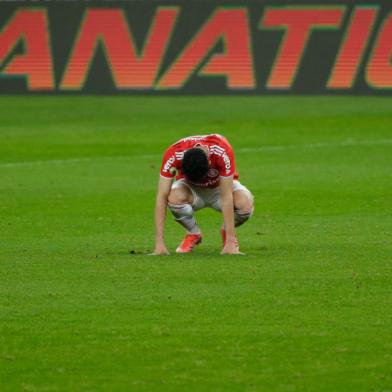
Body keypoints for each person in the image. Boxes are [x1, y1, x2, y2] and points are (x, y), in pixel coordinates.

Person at [152, 134, 254, 255]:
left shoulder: (222, 151)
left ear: (209, 162)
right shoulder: (174, 154)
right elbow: (162, 196)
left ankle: (227, 232)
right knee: (172, 197)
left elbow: (226, 195)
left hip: (220, 187)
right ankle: (193, 233)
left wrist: (230, 242)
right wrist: (159, 243)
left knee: (245, 204)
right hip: (191, 189)